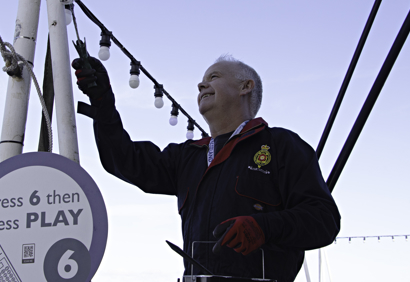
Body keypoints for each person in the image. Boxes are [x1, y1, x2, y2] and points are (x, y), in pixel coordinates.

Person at [72, 55, 340, 282]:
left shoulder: (281, 145)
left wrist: (264, 227)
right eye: (202, 80)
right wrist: (103, 102)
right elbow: (125, 160)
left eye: (213, 77)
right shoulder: (188, 156)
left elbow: (325, 220)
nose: (201, 84)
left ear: (246, 86)